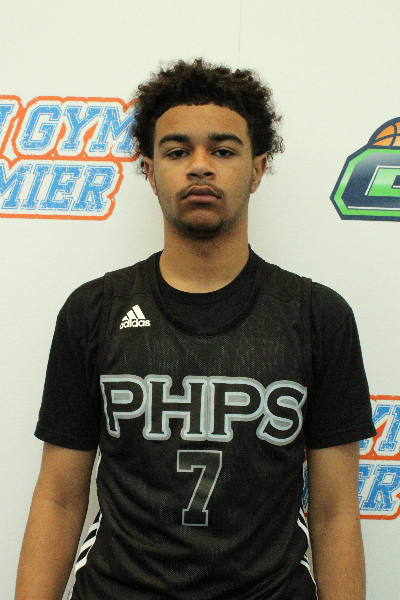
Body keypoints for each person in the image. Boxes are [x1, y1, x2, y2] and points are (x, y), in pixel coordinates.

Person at [15, 58, 376, 600]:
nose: (200, 166)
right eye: (177, 151)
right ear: (149, 168)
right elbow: (60, 497)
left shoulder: (317, 316)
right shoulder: (94, 310)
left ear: (257, 169)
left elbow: (334, 509)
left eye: (223, 151)